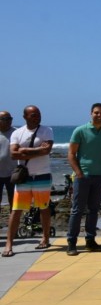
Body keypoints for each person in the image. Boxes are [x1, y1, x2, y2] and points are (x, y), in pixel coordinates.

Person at [3, 106, 54, 257]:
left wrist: (23, 151)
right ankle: (9, 244)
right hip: (23, 178)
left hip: (42, 175)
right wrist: (37, 150)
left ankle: (45, 238)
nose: (36, 117)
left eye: (38, 114)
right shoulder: (18, 133)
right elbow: (13, 154)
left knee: (44, 208)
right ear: (25, 116)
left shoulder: (47, 130)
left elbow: (47, 150)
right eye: (33, 115)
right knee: (16, 210)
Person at [66, 103, 101, 256]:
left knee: (94, 210)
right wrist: (78, 173)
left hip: (99, 177)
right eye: (96, 112)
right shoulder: (80, 131)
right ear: (91, 113)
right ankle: (71, 242)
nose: (98, 115)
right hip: (83, 176)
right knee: (77, 210)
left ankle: (90, 240)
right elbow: (71, 154)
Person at [0, 111, 15, 209]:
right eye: (5, 119)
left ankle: (13, 223)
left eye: (10, 119)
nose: (9, 121)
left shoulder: (16, 133)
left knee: (13, 200)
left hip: (13, 173)